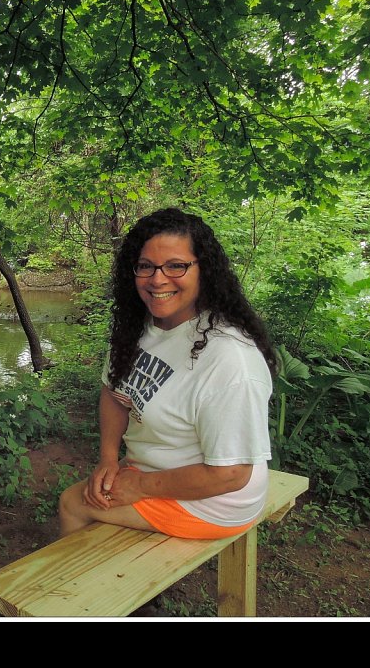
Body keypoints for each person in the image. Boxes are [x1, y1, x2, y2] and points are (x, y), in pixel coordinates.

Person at [59, 208, 277, 540]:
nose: (157, 279)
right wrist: (107, 458)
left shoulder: (230, 359)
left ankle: (80, 590)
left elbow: (231, 474)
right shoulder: (142, 327)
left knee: (74, 503)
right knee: (98, 496)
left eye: (176, 265)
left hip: (215, 500)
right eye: (146, 266)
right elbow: (113, 392)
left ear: (205, 271)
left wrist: (142, 486)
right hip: (154, 471)